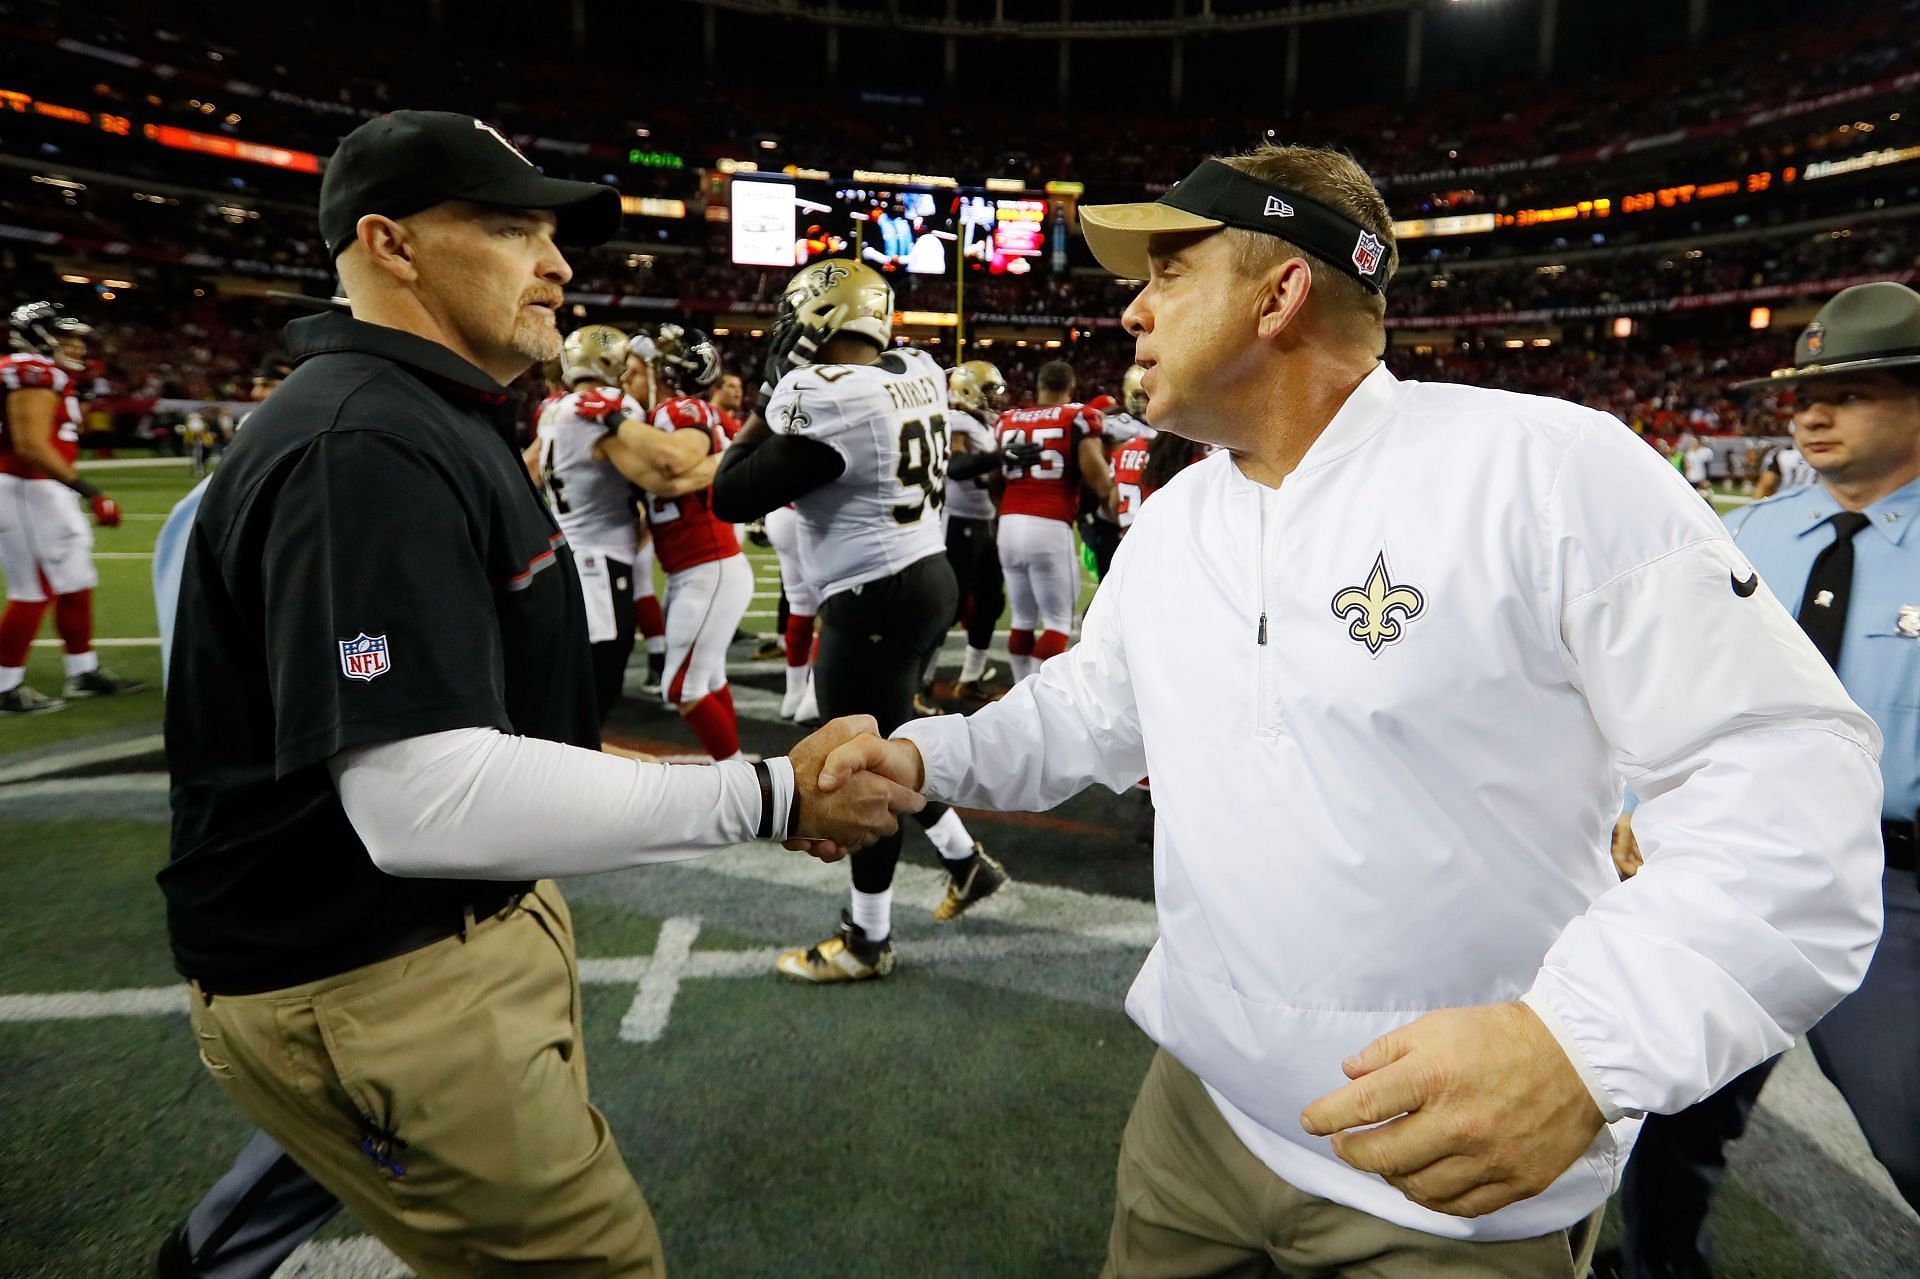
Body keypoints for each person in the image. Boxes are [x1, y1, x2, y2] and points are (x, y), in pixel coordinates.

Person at [818, 143, 1886, 1277]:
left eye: (1170, 271)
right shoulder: (1180, 519)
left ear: (1281, 294)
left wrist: (1584, 1041)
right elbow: (1088, 710)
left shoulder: (1544, 469)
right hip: (1199, 1114)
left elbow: (1783, 777)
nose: (1133, 309)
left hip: (1448, 1179)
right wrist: (922, 758)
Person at [156, 110, 918, 1276]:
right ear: (390, 245)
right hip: (377, 972)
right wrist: (768, 797)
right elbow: (423, 799)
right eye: (513, 229)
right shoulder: (360, 442)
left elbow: (489, 745)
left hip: (407, 950)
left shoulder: (416, 416)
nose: (560, 263)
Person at [1604, 280, 1920, 1279]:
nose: (1813, 414)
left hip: (1895, 885)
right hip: (1735, 868)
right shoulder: (1748, 536)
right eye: (1803, 396)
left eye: (1853, 391)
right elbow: (1675, 685)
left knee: (1910, 1121)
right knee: (1666, 1114)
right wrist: (1632, 803)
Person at [712, 258, 1006, 983]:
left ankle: (866, 939)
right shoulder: (918, 369)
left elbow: (730, 492)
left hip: (874, 593)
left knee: (859, 766)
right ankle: (967, 863)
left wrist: (763, 397)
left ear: (814, 319)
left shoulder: (824, 395)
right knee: (895, 737)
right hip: (924, 577)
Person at [535, 324, 717, 723]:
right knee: (598, 685)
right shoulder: (606, 407)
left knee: (577, 682)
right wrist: (725, 464)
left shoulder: (555, 408)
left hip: (575, 550)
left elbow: (530, 469)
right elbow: (662, 477)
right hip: (599, 564)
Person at [0, 300, 143, 715]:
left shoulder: (43, 372)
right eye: (67, 338)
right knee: (33, 589)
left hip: (42, 489)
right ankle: (5, 685)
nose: (77, 347)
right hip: (26, 487)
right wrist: (90, 490)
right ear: (40, 336)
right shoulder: (31, 371)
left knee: (75, 578)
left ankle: (84, 671)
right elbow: (30, 444)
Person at [633, 321, 752, 758]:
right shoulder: (683, 414)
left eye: (636, 369)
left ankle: (741, 782)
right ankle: (737, 773)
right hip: (697, 567)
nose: (627, 377)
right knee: (708, 678)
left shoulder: (676, 413)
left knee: (682, 687)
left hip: (709, 565)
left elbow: (673, 470)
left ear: (663, 374)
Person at [993, 358, 1114, 682]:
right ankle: (1035, 698)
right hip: (1049, 524)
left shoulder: (1008, 419)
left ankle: (1018, 690)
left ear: (1039, 387)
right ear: (1070, 387)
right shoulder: (1076, 416)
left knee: (1022, 618)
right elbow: (1100, 480)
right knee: (1058, 622)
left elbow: (994, 477)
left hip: (1008, 522)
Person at [942, 360, 1020, 700]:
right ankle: (920, 681)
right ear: (967, 390)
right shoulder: (957, 421)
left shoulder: (984, 425)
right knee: (949, 608)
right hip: (959, 523)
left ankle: (969, 677)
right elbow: (955, 467)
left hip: (984, 523)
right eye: (990, 389)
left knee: (990, 602)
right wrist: (1001, 457)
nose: (997, 397)